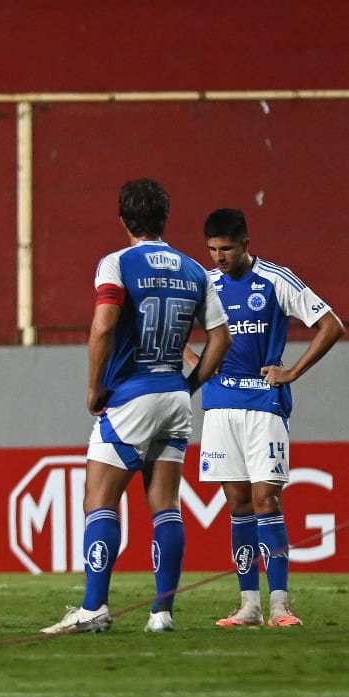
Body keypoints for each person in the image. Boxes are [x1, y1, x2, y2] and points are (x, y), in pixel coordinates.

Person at [41, 178, 232, 635]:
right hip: (174, 396)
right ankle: (161, 614)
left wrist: (93, 388)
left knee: (99, 500)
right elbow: (220, 338)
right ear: (164, 219)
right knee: (165, 504)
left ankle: (94, 609)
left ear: (123, 219)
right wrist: (190, 384)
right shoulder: (193, 270)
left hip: (130, 395)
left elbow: (104, 327)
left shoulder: (116, 264)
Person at [184, 208, 344, 628]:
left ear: (245, 244)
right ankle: (249, 605)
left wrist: (291, 371)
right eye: (213, 249)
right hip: (219, 407)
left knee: (266, 500)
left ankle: (280, 606)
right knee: (237, 503)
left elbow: (331, 324)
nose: (218, 257)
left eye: (226, 249)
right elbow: (175, 330)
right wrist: (199, 367)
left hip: (264, 404)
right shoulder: (205, 283)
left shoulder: (275, 280)